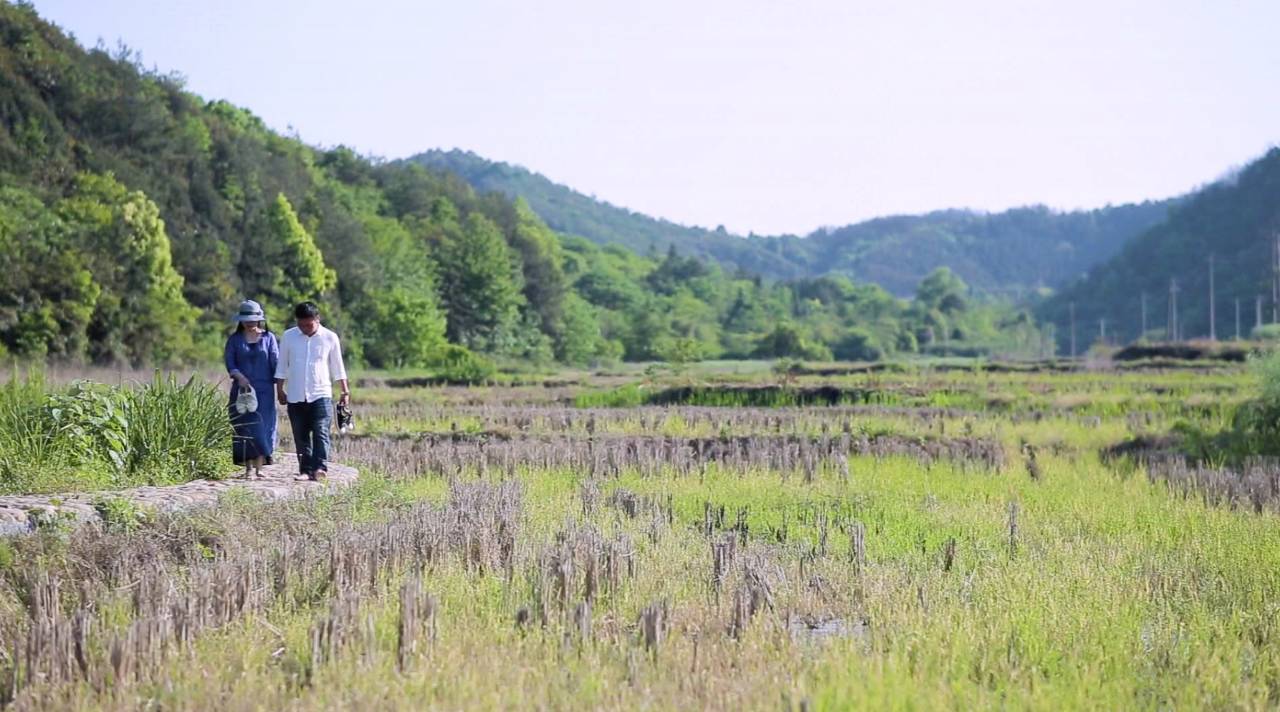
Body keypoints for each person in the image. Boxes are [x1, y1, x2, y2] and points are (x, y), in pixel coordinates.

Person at [275, 301, 350, 481]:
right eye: (301, 325)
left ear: (317, 319)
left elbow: (338, 366)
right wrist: (279, 389)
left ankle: (320, 468)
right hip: (295, 394)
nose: (305, 328)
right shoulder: (289, 336)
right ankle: (305, 470)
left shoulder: (330, 337)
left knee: (321, 431)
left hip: (321, 393)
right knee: (300, 435)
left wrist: (344, 392)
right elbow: (282, 365)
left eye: (308, 325)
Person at [224, 299, 280, 479]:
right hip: (242, 392)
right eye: (246, 319)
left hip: (264, 391)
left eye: (253, 319)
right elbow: (230, 362)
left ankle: (260, 468)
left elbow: (275, 362)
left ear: (260, 320)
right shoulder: (234, 340)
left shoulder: (269, 338)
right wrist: (240, 377)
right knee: (245, 429)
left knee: (263, 428)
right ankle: (247, 468)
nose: (249, 323)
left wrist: (281, 383)